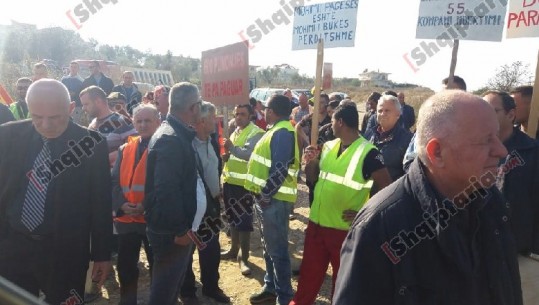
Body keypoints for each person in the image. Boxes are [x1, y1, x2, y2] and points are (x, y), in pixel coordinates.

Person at [333, 90, 522, 305]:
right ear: (437, 152)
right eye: (485, 140)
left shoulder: (492, 202)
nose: (501, 151)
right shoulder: (380, 227)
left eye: (497, 137)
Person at [0, 79, 112, 304]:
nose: (46, 124)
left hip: (65, 251)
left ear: (71, 108)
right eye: (37, 117)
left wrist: (102, 254)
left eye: (54, 117)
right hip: (13, 247)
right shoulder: (7, 137)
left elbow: (100, 203)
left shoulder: (91, 144)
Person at [290, 105, 391, 305]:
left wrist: (365, 214)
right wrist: (309, 163)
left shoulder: (369, 153)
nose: (330, 125)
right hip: (317, 225)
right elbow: (313, 180)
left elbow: (388, 188)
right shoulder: (327, 146)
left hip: (343, 231)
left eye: (332, 121)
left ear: (341, 122)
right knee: (308, 278)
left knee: (342, 283)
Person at [144, 82, 202, 305]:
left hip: (174, 226)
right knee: (164, 290)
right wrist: (180, 230)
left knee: (170, 285)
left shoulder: (176, 132)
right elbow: (166, 190)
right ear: (193, 107)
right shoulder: (171, 138)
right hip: (171, 230)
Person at [483, 90, 539, 305]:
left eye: (492, 111)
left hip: (521, 260)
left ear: (511, 115)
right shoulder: (474, 149)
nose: (485, 116)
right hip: (479, 257)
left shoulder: (532, 153)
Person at [244, 94, 299, 305]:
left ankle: (284, 297)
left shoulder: (283, 132)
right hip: (268, 199)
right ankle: (271, 286)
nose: (264, 111)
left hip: (274, 200)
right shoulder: (277, 130)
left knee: (277, 250)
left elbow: (280, 168)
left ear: (272, 111)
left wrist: (266, 194)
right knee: (269, 248)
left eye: (266, 108)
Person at [180, 101, 230, 304]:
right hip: (193, 208)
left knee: (211, 249)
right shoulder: (185, 145)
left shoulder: (212, 140)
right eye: (212, 118)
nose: (216, 121)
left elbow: (215, 170)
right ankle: (188, 291)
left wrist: (218, 191)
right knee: (187, 251)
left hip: (212, 207)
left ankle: (211, 287)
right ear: (201, 121)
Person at [111, 104, 160, 305]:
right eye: (139, 121)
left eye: (148, 120)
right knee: (126, 266)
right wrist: (121, 204)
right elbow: (114, 181)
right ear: (132, 122)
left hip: (152, 219)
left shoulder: (164, 147)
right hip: (127, 219)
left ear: (158, 122)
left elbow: (165, 184)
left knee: (157, 264)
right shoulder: (125, 149)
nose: (143, 124)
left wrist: (145, 205)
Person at [220, 104, 264, 276]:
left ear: (251, 115)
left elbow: (248, 154)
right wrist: (227, 156)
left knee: (244, 221)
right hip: (230, 181)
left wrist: (231, 148)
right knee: (232, 217)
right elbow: (235, 153)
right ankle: (233, 250)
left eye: (242, 114)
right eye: (236, 114)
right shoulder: (235, 131)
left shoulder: (256, 133)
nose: (238, 117)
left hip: (244, 185)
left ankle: (243, 257)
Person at [80, 86, 136, 167]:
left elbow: (134, 148)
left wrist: (104, 159)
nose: (83, 108)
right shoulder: (92, 123)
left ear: (98, 101)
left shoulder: (122, 121)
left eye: (86, 104)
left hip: (115, 177)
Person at [364, 94, 412, 182]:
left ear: (398, 114)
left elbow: (409, 175)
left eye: (387, 111)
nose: (383, 114)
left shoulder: (408, 140)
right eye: (380, 110)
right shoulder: (369, 134)